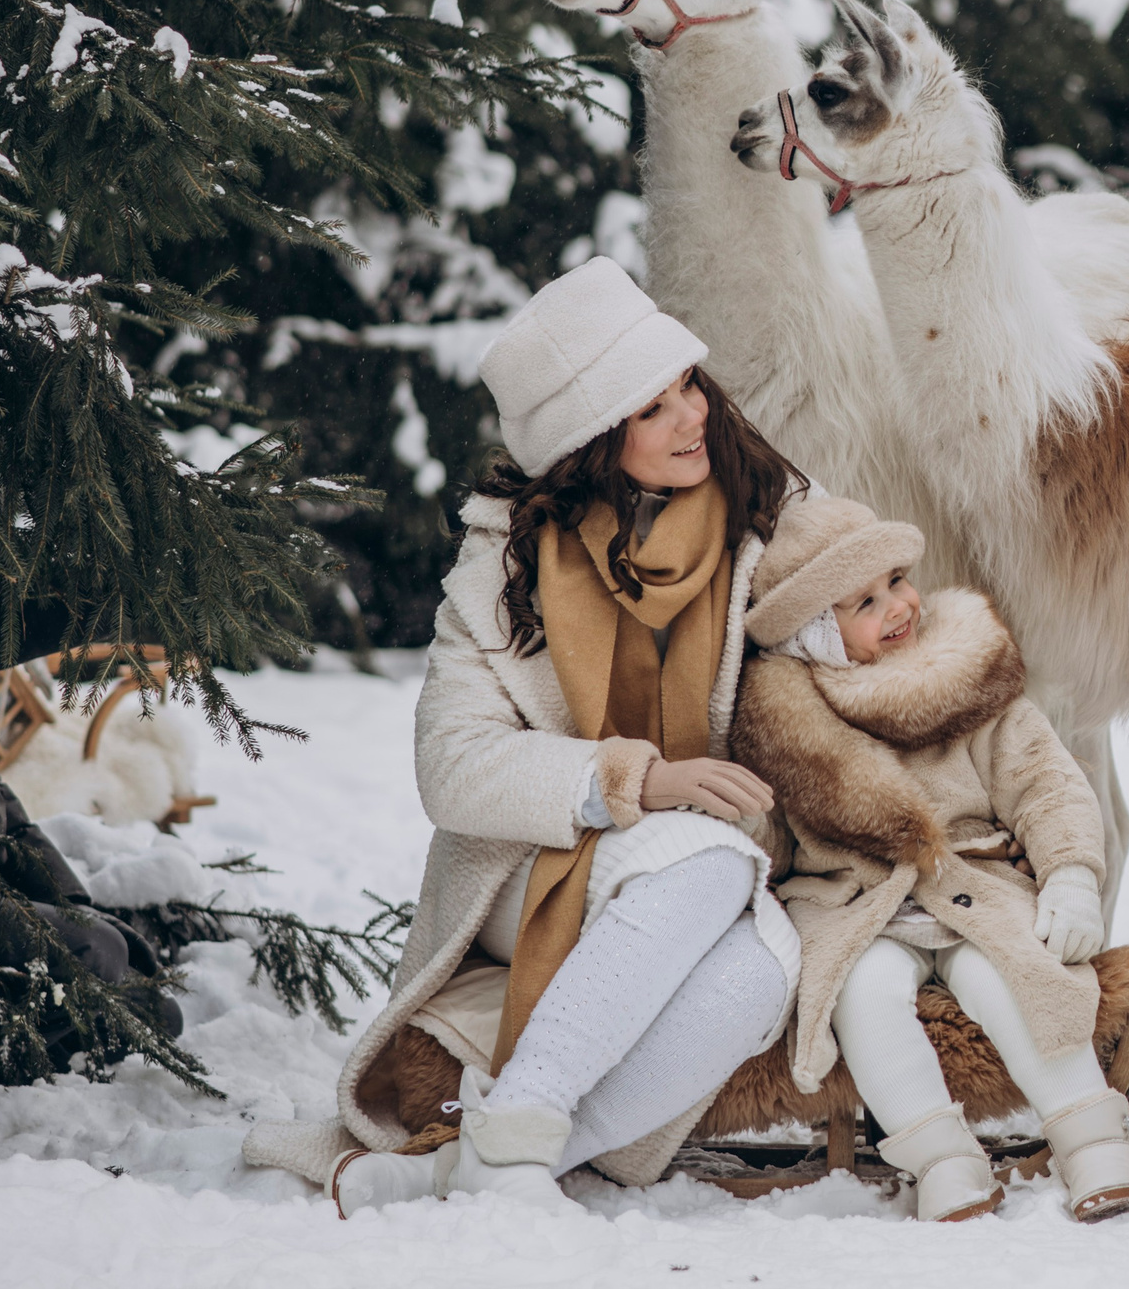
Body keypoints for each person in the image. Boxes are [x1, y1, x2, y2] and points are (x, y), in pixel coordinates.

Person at [241, 257, 806, 1215]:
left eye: (688, 385)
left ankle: (491, 1157)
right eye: (652, 408)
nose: (693, 416)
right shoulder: (503, 565)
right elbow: (452, 766)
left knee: (763, 967)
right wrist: (635, 781)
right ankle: (521, 1132)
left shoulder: (759, 519)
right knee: (709, 865)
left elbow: (850, 635)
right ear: (592, 440)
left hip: (715, 860)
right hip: (533, 866)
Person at [729, 498, 1129, 1222]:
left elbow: (1046, 784)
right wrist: (742, 823)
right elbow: (770, 841)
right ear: (815, 633)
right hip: (854, 906)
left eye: (897, 580)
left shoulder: (965, 680)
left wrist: (1071, 874)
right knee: (863, 995)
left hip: (976, 884)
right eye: (865, 602)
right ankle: (940, 1159)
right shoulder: (787, 727)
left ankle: (1091, 1135)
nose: (898, 605)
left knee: (1012, 977)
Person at [0, 596, 184, 1050]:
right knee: (96, 951)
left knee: (158, 1010)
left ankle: (29, 1030)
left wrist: (69, 900)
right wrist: (104, 594)